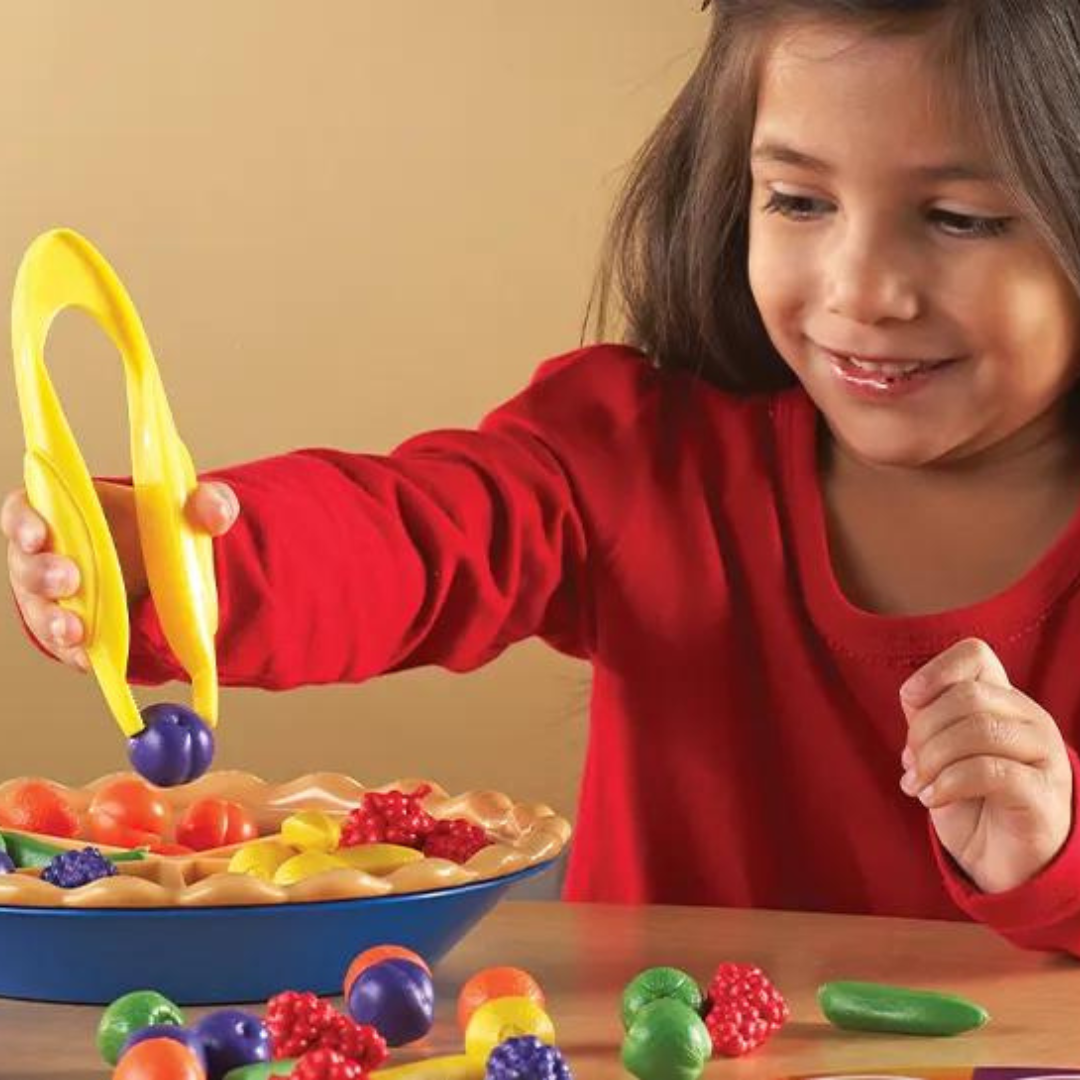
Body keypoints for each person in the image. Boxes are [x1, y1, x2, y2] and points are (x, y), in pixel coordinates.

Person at [7, 0, 1080, 957]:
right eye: (798, 201)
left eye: (961, 219)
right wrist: (185, 562)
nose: (862, 290)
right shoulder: (638, 454)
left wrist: (1055, 857)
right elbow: (421, 532)